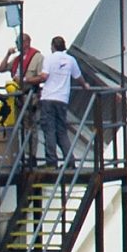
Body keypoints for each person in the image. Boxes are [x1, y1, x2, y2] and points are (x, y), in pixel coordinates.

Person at [36, 35, 82, 163]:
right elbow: (78, 77)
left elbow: (44, 76)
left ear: (53, 46)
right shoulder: (71, 60)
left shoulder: (49, 59)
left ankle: (51, 160)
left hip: (48, 97)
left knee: (49, 129)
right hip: (62, 99)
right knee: (61, 130)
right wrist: (85, 85)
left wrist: (29, 79)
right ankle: (70, 160)